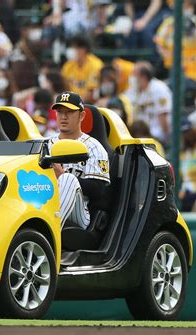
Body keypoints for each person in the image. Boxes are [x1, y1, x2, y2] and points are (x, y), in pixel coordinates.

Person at [50, 92, 110, 230]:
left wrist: (62, 175)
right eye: (60, 112)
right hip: (45, 201)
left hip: (80, 212)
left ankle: (51, 231)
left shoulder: (93, 147)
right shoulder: (45, 143)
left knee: (68, 179)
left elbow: (99, 190)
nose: (64, 117)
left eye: (69, 112)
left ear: (81, 115)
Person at [125, 61, 172, 145]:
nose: (132, 77)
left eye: (134, 74)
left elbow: (163, 117)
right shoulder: (134, 90)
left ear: (143, 77)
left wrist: (166, 140)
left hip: (157, 136)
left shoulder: (159, 89)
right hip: (140, 134)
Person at [61, 35, 103, 103]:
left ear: (83, 49)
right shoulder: (68, 65)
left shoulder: (95, 64)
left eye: (74, 47)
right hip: (71, 103)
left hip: (90, 104)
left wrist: (76, 104)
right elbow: (64, 87)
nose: (71, 50)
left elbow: (92, 93)